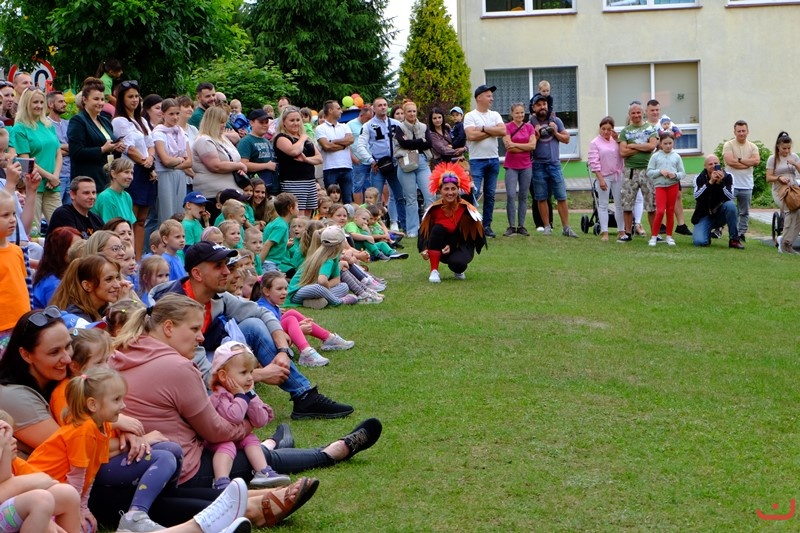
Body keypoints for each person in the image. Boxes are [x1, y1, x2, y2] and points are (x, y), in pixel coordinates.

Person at [111, 295, 380, 519]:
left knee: (247, 448)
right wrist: (249, 424)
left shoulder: (119, 354)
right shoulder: (177, 366)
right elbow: (216, 431)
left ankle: (279, 444)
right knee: (255, 455)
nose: (201, 338)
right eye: (194, 329)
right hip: (180, 470)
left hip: (134, 464)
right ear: (168, 327)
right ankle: (330, 453)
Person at [150, 242, 355, 419]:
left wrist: (283, 350)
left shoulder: (216, 296)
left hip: (209, 359)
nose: (227, 272)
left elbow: (261, 312)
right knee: (226, 412)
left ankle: (304, 396)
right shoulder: (175, 308)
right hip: (179, 376)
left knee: (253, 325)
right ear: (197, 274)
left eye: (226, 265)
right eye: (219, 266)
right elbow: (201, 374)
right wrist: (260, 375)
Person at [27, 366, 184, 532]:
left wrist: (83, 508)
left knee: (87, 526)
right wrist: (78, 511)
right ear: (93, 404)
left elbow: (91, 472)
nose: (123, 405)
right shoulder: (84, 430)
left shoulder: (103, 425)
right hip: (42, 490)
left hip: (62, 491)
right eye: (116, 400)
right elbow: (77, 476)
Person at [207, 341, 291, 490]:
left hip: (237, 435)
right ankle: (220, 481)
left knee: (251, 438)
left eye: (251, 372)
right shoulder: (219, 396)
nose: (250, 378)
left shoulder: (246, 393)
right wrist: (241, 396)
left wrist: (250, 396)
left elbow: (260, 421)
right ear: (223, 376)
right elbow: (234, 417)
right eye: (243, 373)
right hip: (217, 440)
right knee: (227, 446)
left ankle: (262, 472)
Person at [257, 270, 354, 367]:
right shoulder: (264, 309)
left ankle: (328, 338)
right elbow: (272, 335)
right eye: (279, 289)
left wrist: (296, 327)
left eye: (286, 288)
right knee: (290, 319)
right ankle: (306, 353)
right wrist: (299, 329)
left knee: (291, 313)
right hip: (270, 346)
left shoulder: (271, 305)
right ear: (266, 291)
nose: (284, 292)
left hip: (277, 338)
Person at [418, 162, 486, 283]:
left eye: (453, 189)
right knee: (437, 228)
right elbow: (426, 233)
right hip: (440, 247)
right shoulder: (433, 209)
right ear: (440, 190)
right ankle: (434, 270)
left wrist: (452, 245)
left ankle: (458, 269)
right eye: (446, 189)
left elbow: (472, 237)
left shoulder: (467, 209)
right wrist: (425, 248)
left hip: (461, 245)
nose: (450, 193)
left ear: (458, 190)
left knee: (458, 264)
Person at [13, 88, 63, 235]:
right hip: (33, 186)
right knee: (33, 232)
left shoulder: (48, 125)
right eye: (35, 102)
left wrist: (55, 176)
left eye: (42, 102)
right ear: (26, 103)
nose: (39, 106)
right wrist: (50, 176)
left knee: (63, 229)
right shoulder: (20, 128)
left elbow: (58, 153)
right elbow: (26, 160)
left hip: (52, 186)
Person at [354, 97, 406, 233]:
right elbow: (360, 146)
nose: (383, 107)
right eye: (379, 105)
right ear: (374, 108)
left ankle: (405, 226)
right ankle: (375, 227)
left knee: (400, 196)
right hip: (378, 166)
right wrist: (371, 160)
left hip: (395, 164)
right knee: (374, 199)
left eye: (385, 105)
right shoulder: (368, 126)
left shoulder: (396, 124)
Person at [529, 93, 577, 238]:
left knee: (561, 196)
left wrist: (555, 131)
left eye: (544, 104)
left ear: (548, 105)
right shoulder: (530, 124)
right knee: (541, 197)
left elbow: (567, 139)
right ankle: (547, 227)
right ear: (534, 108)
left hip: (554, 164)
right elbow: (529, 146)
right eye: (539, 105)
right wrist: (536, 136)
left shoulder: (556, 120)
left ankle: (566, 228)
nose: (542, 107)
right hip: (537, 165)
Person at [67, 77, 125, 192]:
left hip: (106, 179)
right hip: (88, 180)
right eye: (96, 99)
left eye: (102, 99)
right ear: (85, 99)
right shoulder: (78, 121)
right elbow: (76, 152)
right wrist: (102, 149)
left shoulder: (105, 121)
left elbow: (110, 151)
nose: (100, 103)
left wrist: (116, 148)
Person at [191, 106, 248, 222]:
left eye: (224, 122)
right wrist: (239, 166)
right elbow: (215, 165)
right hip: (213, 196)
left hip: (231, 193)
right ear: (212, 122)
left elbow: (233, 156)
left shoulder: (222, 138)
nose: (224, 125)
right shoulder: (204, 140)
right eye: (221, 122)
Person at [464, 85, 505, 238]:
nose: (491, 99)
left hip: (493, 160)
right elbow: (471, 136)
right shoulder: (470, 116)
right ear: (479, 98)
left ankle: (486, 226)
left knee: (490, 195)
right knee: (473, 193)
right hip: (477, 161)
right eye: (488, 96)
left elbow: (503, 131)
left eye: (491, 96)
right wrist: (491, 130)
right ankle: (471, 225)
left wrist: (481, 128)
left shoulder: (495, 115)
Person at [617, 102, 658, 243]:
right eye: (633, 113)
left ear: (643, 113)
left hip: (647, 170)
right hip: (630, 171)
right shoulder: (624, 132)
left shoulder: (650, 128)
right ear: (629, 115)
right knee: (627, 203)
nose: (636, 115)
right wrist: (643, 147)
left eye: (638, 112)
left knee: (651, 204)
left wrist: (633, 145)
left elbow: (652, 146)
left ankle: (654, 234)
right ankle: (628, 233)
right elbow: (623, 152)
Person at [393, 100, 434, 238]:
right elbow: (403, 143)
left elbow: (429, 143)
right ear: (404, 113)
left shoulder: (423, 126)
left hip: (422, 162)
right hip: (406, 163)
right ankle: (412, 230)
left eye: (414, 111)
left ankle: (430, 228)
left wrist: (413, 143)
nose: (412, 114)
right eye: (409, 111)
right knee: (411, 198)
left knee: (430, 195)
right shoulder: (399, 128)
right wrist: (420, 141)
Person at [274, 106, 322, 217]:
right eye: (292, 120)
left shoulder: (305, 138)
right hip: (293, 182)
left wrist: (306, 159)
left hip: (310, 181)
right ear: (283, 122)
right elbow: (294, 151)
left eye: (298, 120)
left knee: (309, 215)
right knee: (298, 216)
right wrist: (302, 138)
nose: (296, 123)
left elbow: (319, 158)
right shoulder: (281, 138)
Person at [691, 154, 743, 249]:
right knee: (699, 242)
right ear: (705, 166)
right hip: (704, 215)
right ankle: (707, 234)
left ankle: (734, 239)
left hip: (721, 213)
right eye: (710, 164)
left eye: (716, 163)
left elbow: (730, 196)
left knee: (731, 205)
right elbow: (697, 197)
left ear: (720, 164)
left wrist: (721, 183)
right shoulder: (699, 177)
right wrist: (710, 182)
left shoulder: (728, 176)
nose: (713, 166)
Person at [154, 98, 193, 225]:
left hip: (179, 174)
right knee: (167, 213)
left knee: (180, 212)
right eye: (171, 114)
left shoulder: (181, 133)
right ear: (163, 114)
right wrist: (180, 159)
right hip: (164, 175)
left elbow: (189, 162)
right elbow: (165, 160)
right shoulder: (159, 133)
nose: (175, 117)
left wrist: (174, 164)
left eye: (177, 113)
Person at [723, 120, 760, 243]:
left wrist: (738, 160)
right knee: (729, 209)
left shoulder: (753, 147)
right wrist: (747, 163)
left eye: (743, 131)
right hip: (731, 184)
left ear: (747, 131)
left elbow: (756, 161)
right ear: (734, 132)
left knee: (744, 212)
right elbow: (730, 161)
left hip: (747, 184)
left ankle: (741, 233)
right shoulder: (728, 145)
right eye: (739, 131)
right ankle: (724, 230)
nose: (741, 133)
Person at [502, 103, 536, 237]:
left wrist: (515, 144)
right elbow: (508, 147)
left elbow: (533, 146)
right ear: (512, 114)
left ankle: (521, 226)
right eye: (517, 113)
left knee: (523, 196)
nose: (520, 115)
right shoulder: (506, 127)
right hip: (511, 166)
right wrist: (524, 146)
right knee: (511, 195)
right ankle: (511, 226)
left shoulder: (529, 127)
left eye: (522, 112)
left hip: (526, 166)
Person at [0, 189, 30, 345]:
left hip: (22, 322)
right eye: (5, 215)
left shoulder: (17, 251)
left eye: (13, 214)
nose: (12, 220)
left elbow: (23, 286)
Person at [588, 116, 624, 242]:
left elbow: (623, 154)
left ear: (612, 129)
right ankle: (605, 232)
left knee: (619, 204)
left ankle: (621, 231)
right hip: (604, 176)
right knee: (603, 204)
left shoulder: (616, 141)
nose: (606, 132)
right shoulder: (595, 143)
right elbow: (594, 162)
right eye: (603, 129)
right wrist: (601, 179)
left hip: (618, 175)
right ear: (600, 128)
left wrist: (618, 140)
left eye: (609, 129)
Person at [646, 132, 684, 247]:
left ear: (673, 143)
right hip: (660, 186)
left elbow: (682, 173)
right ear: (660, 144)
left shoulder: (676, 156)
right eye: (665, 143)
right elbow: (649, 172)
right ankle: (654, 236)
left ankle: (669, 236)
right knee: (660, 211)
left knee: (670, 211)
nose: (668, 146)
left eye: (670, 143)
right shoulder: (655, 156)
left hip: (673, 185)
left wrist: (675, 175)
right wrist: (660, 172)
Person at [31, 226, 82, 308]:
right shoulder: (53, 285)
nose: (82, 251)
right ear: (61, 251)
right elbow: (61, 314)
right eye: (76, 247)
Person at [766, 131, 800, 254]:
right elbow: (768, 177)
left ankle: (787, 242)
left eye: (789, 148)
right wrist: (779, 178)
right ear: (778, 147)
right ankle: (784, 243)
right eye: (784, 148)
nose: (787, 151)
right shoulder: (772, 159)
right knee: (791, 210)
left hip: (793, 189)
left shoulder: (794, 157)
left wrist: (795, 164)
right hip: (780, 190)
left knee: (798, 213)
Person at [316, 100, 355, 204]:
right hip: (330, 168)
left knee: (348, 199)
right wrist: (344, 145)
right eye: (338, 109)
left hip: (346, 167)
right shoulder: (320, 128)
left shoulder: (345, 126)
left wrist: (334, 141)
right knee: (330, 200)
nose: (341, 111)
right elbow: (326, 146)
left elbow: (351, 140)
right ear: (330, 110)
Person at [237, 110, 277, 195]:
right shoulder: (246, 141)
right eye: (261, 122)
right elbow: (243, 164)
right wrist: (266, 166)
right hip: (255, 188)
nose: (265, 125)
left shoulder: (267, 141)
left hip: (270, 186)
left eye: (266, 122)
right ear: (251, 123)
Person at [47, 90, 73, 205]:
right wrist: (62, 149)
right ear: (51, 104)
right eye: (61, 102)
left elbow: (76, 146)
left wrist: (59, 148)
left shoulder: (68, 123)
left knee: (70, 211)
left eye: (64, 101)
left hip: (71, 174)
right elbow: (49, 149)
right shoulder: (45, 124)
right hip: (56, 174)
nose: (64, 104)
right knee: (55, 209)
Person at [92, 158, 135, 224]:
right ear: (113, 174)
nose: (130, 177)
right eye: (126, 172)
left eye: (132, 173)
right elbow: (109, 226)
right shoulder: (106, 197)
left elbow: (130, 225)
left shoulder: (127, 196)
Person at [347, 105, 373, 204]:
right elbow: (346, 144)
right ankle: (359, 207)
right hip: (358, 160)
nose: (369, 120)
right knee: (358, 185)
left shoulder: (371, 124)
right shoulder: (350, 125)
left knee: (373, 185)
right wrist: (352, 157)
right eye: (367, 118)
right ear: (361, 116)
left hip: (372, 160)